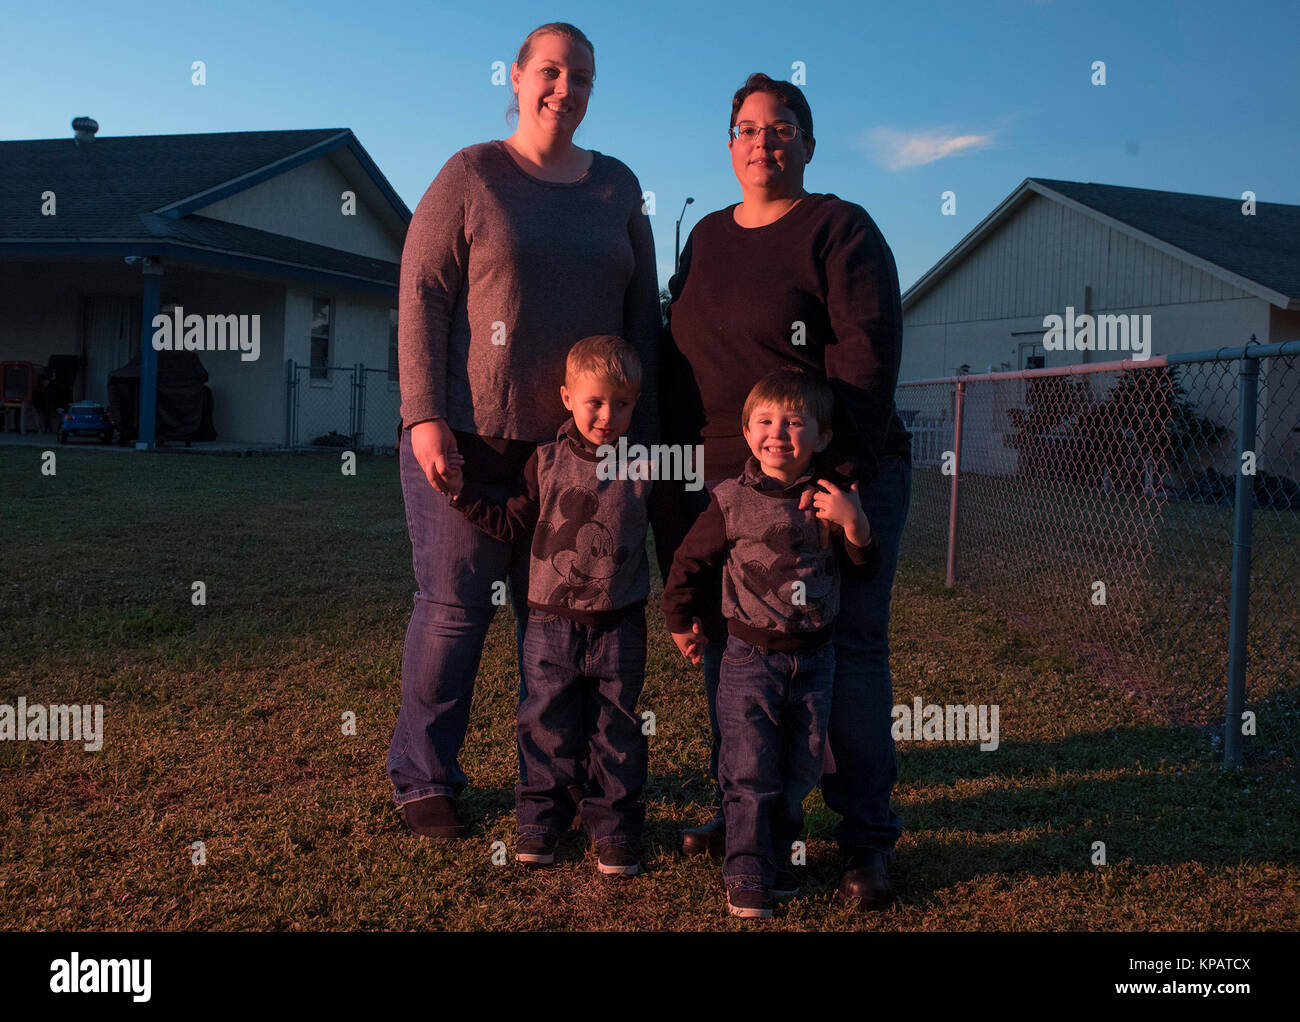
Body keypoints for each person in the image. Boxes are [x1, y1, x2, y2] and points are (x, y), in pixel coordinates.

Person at [388, 23, 662, 840]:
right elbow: (421, 298)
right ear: (516, 78)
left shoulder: (618, 189)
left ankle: (561, 781)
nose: (563, 88)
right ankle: (424, 778)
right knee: (454, 612)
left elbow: (640, 320)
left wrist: (633, 436)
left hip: (579, 457)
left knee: (562, 627)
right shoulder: (472, 174)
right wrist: (424, 416)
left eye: (580, 76)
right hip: (471, 438)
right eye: (549, 71)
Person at [660, 73, 911, 909]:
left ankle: (865, 843)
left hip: (824, 481)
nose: (760, 142)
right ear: (727, 143)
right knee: (736, 656)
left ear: (807, 141)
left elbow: (866, 356)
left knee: (846, 654)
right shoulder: (704, 237)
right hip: (730, 489)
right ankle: (751, 823)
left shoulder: (839, 228)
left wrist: (838, 479)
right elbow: (679, 353)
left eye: (779, 127)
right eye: (744, 128)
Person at [447, 336, 677, 875]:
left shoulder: (646, 466)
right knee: (545, 721)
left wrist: (682, 608)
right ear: (567, 397)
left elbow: (673, 538)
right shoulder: (544, 463)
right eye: (595, 401)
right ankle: (542, 820)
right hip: (550, 623)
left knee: (616, 728)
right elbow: (512, 522)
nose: (608, 415)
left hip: (622, 624)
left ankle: (616, 827)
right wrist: (461, 494)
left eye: (622, 404)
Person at [663, 369, 879, 918]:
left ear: (823, 437)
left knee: (800, 766)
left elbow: (862, 570)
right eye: (765, 422)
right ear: (746, 430)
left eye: (794, 423)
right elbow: (690, 563)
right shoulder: (730, 500)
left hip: (815, 660)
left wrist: (855, 526)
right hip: (748, 659)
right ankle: (747, 867)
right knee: (749, 766)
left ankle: (779, 855)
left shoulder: (832, 498)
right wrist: (680, 619)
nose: (777, 433)